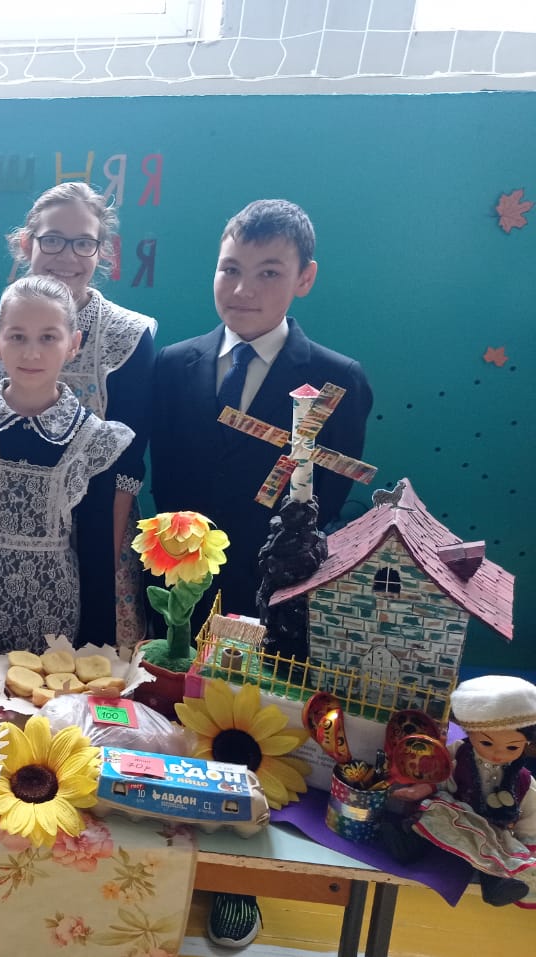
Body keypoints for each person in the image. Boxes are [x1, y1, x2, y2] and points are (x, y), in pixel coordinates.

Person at [150, 198, 373, 948]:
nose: (244, 289)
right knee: (175, 725)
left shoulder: (336, 380)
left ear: (304, 278)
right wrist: (180, 574)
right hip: (183, 582)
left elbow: (325, 503)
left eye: (269, 272)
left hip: (272, 592)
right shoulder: (173, 364)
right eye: (231, 269)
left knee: (251, 740)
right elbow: (167, 478)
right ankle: (158, 857)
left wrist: (273, 579)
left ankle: (236, 874)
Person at [0, 182, 156, 648]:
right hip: (3, 546)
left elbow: (127, 470)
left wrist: (99, 564)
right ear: (26, 244)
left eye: (83, 242)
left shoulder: (129, 338)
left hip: (101, 538)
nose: (67, 256)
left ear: (102, 250)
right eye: (52, 240)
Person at [0, 276, 134, 653]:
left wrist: (95, 648)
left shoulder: (93, 439)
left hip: (56, 624)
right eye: (18, 337)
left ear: (73, 344)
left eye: (48, 337)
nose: (32, 353)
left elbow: (96, 549)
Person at [382, 675, 536, 909]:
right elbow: (440, 774)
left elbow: (531, 815)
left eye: (512, 747)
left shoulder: (524, 780)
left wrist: (528, 844)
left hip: (492, 829)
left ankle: (496, 886)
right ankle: (406, 845)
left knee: (501, 853)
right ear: (470, 733)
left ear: (527, 744)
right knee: (432, 816)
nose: (498, 754)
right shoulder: (460, 753)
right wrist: (425, 788)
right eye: (486, 743)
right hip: (454, 814)